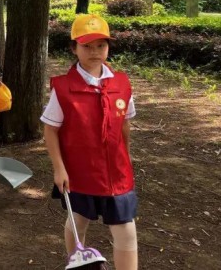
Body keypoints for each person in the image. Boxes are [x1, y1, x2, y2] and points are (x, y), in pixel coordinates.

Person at [42, 14, 138, 270]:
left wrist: (127, 157)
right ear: (74, 48)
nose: (95, 52)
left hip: (117, 174)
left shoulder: (122, 84)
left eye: (101, 45)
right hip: (79, 172)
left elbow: (124, 124)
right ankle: (78, 263)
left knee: (126, 230)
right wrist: (59, 168)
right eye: (87, 46)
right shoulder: (63, 88)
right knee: (78, 220)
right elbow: (50, 129)